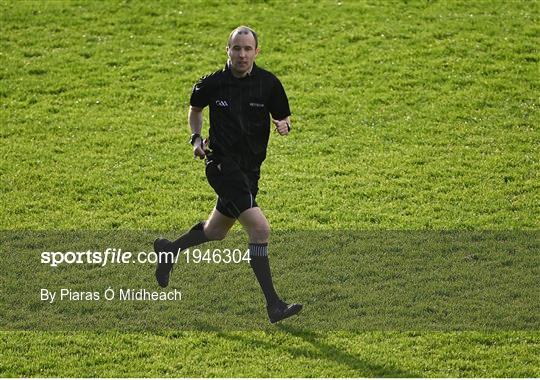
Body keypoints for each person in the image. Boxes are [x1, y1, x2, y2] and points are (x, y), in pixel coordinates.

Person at [154, 26, 302, 324]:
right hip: (221, 165)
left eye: (248, 49)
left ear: (256, 52)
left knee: (216, 232)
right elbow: (195, 110)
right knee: (260, 230)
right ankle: (274, 305)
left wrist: (284, 126)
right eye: (237, 48)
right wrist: (195, 139)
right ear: (228, 50)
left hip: (250, 171)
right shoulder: (212, 83)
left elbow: (282, 116)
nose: (242, 54)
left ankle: (169, 250)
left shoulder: (269, 84)